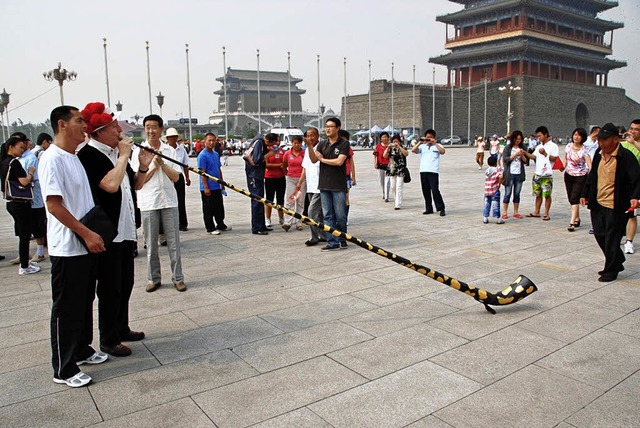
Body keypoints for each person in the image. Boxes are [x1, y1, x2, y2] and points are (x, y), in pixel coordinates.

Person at [39, 105, 109, 388]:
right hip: (68, 246)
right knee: (66, 307)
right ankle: (64, 367)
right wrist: (87, 233)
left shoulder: (73, 156)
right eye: (79, 121)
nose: (85, 125)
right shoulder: (51, 158)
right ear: (62, 124)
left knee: (82, 302)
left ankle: (81, 349)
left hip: (84, 244)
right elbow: (54, 206)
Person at [77, 102, 152, 357]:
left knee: (126, 282)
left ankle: (121, 327)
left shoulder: (114, 153)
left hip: (126, 229)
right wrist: (122, 156)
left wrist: (142, 165)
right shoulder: (89, 155)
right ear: (98, 132)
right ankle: (108, 338)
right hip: (107, 231)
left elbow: (134, 185)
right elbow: (109, 185)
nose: (119, 130)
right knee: (110, 287)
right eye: (113, 127)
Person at [131, 115, 186, 292]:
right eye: (147, 127)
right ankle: (153, 278)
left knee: (174, 242)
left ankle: (178, 278)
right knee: (150, 243)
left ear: (161, 129)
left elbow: (176, 177)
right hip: (149, 202)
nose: (150, 131)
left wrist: (162, 164)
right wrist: (153, 166)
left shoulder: (169, 151)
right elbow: (138, 181)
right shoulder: (139, 151)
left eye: (154, 127)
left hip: (169, 200)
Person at [581, 123, 640, 282]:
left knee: (612, 238)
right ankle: (617, 259)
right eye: (600, 140)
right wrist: (585, 193)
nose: (601, 143)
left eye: (605, 140)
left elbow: (636, 179)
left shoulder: (626, 156)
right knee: (600, 234)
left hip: (617, 205)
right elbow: (592, 175)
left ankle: (611, 270)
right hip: (598, 202)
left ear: (615, 139)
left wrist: (635, 197)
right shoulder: (598, 154)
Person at [307, 117, 350, 251]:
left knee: (340, 215)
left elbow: (339, 162)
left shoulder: (344, 144)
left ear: (338, 128)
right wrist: (309, 147)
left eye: (331, 126)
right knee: (327, 215)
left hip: (338, 185)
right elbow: (314, 160)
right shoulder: (322, 144)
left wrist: (323, 159)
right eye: (326, 126)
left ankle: (342, 238)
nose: (328, 129)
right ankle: (332, 242)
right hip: (324, 185)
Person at [1, 136, 40, 274]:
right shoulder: (14, 163)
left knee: (23, 235)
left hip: (12, 203)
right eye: (20, 147)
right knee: (25, 235)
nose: (22, 150)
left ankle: (25, 263)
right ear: (11, 147)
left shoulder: (4, 162)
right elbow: (24, 182)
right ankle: (24, 266)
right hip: (21, 203)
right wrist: (31, 173)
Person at [295, 127, 324, 246]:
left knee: (311, 212)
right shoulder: (306, 150)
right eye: (308, 135)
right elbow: (305, 168)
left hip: (320, 186)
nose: (310, 138)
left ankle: (314, 237)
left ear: (317, 136)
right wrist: (299, 183)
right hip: (311, 186)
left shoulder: (322, 147)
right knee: (319, 214)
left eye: (312, 135)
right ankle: (323, 235)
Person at [197, 132, 231, 235]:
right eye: (209, 141)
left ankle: (220, 224)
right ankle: (210, 227)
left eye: (213, 140)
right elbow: (202, 173)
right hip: (208, 187)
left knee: (219, 207)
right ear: (205, 141)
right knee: (208, 208)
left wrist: (222, 183)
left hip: (217, 186)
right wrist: (206, 187)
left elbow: (218, 169)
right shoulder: (202, 155)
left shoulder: (216, 154)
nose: (211, 143)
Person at [245, 133, 278, 235]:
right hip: (254, 176)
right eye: (271, 144)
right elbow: (257, 159)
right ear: (268, 141)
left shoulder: (259, 139)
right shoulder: (259, 142)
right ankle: (257, 227)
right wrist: (269, 154)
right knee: (257, 200)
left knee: (261, 200)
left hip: (257, 175)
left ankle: (261, 225)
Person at [526, 126, 558, 220]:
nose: (538, 138)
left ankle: (546, 213)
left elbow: (555, 159)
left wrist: (545, 154)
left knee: (547, 195)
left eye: (539, 136)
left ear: (546, 135)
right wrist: (524, 153)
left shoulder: (553, 146)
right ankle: (536, 211)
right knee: (538, 194)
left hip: (547, 174)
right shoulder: (539, 146)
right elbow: (534, 157)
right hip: (537, 173)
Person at [563, 128, 592, 232]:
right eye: (575, 134)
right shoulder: (568, 146)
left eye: (579, 135)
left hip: (580, 176)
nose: (576, 137)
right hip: (568, 175)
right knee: (571, 198)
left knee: (575, 198)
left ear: (583, 137)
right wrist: (563, 166)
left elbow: (589, 164)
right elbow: (566, 159)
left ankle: (572, 223)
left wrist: (593, 175)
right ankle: (577, 218)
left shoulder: (585, 149)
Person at [412, 129, 446, 216]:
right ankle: (428, 208)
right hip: (423, 171)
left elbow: (442, 152)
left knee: (435, 190)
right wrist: (420, 142)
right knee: (425, 191)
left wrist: (434, 143)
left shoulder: (438, 146)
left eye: (430, 137)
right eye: (427, 137)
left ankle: (441, 208)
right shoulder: (423, 146)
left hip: (433, 171)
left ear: (434, 137)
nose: (428, 139)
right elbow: (413, 150)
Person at [165, 127, 191, 232]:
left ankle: (183, 223)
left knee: (181, 200)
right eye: (170, 137)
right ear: (167, 138)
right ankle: (170, 224)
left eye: (174, 137)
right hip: (168, 176)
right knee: (169, 201)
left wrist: (187, 177)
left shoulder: (182, 149)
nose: (173, 139)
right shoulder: (164, 150)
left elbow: (185, 164)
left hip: (179, 176)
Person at [621, 119, 640, 253]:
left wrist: (635, 144)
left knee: (632, 213)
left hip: (636, 184)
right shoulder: (625, 144)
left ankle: (629, 241)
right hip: (623, 183)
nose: (633, 131)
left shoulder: (634, 144)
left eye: (636, 129)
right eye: (631, 128)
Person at [501, 130, 528, 219]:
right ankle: (505, 212)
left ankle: (516, 212)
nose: (518, 141)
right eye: (517, 139)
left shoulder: (523, 147)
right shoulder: (508, 147)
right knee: (507, 193)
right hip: (510, 173)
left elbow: (526, 162)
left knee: (517, 193)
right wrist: (515, 154)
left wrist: (522, 155)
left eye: (520, 139)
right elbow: (505, 159)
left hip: (519, 174)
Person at [282, 135, 306, 231]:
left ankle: (298, 221)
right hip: (291, 179)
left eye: (299, 143)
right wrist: (287, 174)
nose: (297, 145)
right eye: (295, 143)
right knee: (290, 200)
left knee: (300, 201)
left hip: (302, 179)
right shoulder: (287, 153)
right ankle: (287, 222)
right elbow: (284, 165)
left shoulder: (304, 153)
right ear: (292, 143)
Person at [264, 138, 285, 228]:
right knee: (269, 199)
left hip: (281, 177)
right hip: (270, 178)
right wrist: (279, 165)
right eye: (275, 141)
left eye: (278, 141)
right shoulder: (268, 151)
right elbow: (266, 164)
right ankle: (268, 219)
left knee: (280, 200)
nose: (277, 142)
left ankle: (281, 218)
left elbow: (285, 163)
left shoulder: (282, 151)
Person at [383, 134, 409, 210]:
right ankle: (396, 199)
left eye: (397, 141)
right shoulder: (390, 148)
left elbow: (406, 154)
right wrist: (388, 147)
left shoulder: (402, 147)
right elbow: (384, 156)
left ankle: (398, 204)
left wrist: (399, 147)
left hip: (400, 169)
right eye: (394, 141)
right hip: (392, 169)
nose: (395, 143)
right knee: (393, 186)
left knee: (399, 187)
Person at [483, 156, 504, 224]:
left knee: (487, 204)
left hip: (487, 190)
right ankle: (498, 218)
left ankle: (485, 217)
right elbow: (501, 176)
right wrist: (499, 183)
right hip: (494, 189)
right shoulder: (497, 170)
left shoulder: (487, 170)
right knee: (496, 204)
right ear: (496, 163)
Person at [373, 132, 391, 202]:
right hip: (380, 165)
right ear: (381, 139)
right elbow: (375, 155)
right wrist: (375, 163)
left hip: (389, 165)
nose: (385, 138)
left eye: (386, 137)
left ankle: (386, 196)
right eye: (383, 137)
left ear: (388, 138)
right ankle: (384, 192)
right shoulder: (378, 146)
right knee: (382, 181)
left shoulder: (390, 146)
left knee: (388, 181)